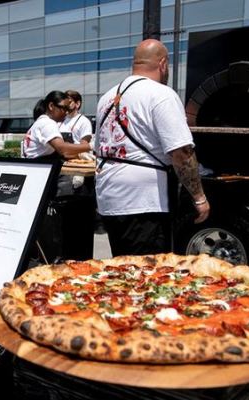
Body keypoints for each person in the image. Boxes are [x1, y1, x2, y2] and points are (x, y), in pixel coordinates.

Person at [94, 39, 210, 256]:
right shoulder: (161, 94)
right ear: (163, 63)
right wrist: (198, 197)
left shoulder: (107, 98)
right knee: (148, 275)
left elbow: (98, 148)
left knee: (122, 270)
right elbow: (181, 153)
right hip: (144, 202)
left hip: (109, 197)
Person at [21, 91, 91, 161]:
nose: (66, 112)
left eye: (67, 109)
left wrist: (78, 155)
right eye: (64, 108)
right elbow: (62, 149)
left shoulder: (41, 121)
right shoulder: (47, 123)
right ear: (51, 106)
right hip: (39, 167)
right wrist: (91, 146)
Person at [59, 90, 94, 192]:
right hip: (61, 164)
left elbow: (84, 145)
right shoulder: (61, 121)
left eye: (69, 102)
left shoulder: (84, 122)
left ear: (77, 104)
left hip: (74, 167)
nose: (65, 105)